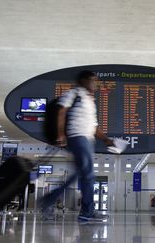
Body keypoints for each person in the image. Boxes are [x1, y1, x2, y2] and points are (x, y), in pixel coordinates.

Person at [44, 71, 114, 222]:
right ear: (83, 80)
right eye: (92, 80)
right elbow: (61, 111)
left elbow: (94, 126)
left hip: (87, 139)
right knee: (88, 174)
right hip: (78, 137)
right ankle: (87, 211)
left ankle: (49, 199)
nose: (95, 84)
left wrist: (106, 140)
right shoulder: (74, 93)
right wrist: (60, 134)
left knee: (80, 174)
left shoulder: (90, 101)